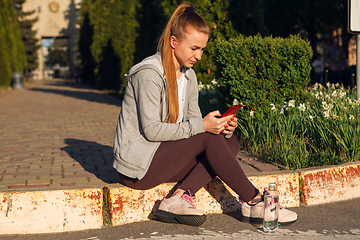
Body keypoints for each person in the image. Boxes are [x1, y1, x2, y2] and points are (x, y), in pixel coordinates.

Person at [113, 2, 297, 226]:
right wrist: (205, 127)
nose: (199, 56)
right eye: (194, 48)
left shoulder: (189, 76)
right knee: (209, 136)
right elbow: (152, 131)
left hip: (162, 158)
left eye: (202, 49)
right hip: (138, 168)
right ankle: (254, 200)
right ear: (174, 42)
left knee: (230, 143)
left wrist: (221, 127)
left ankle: (178, 197)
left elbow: (193, 124)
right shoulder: (149, 74)